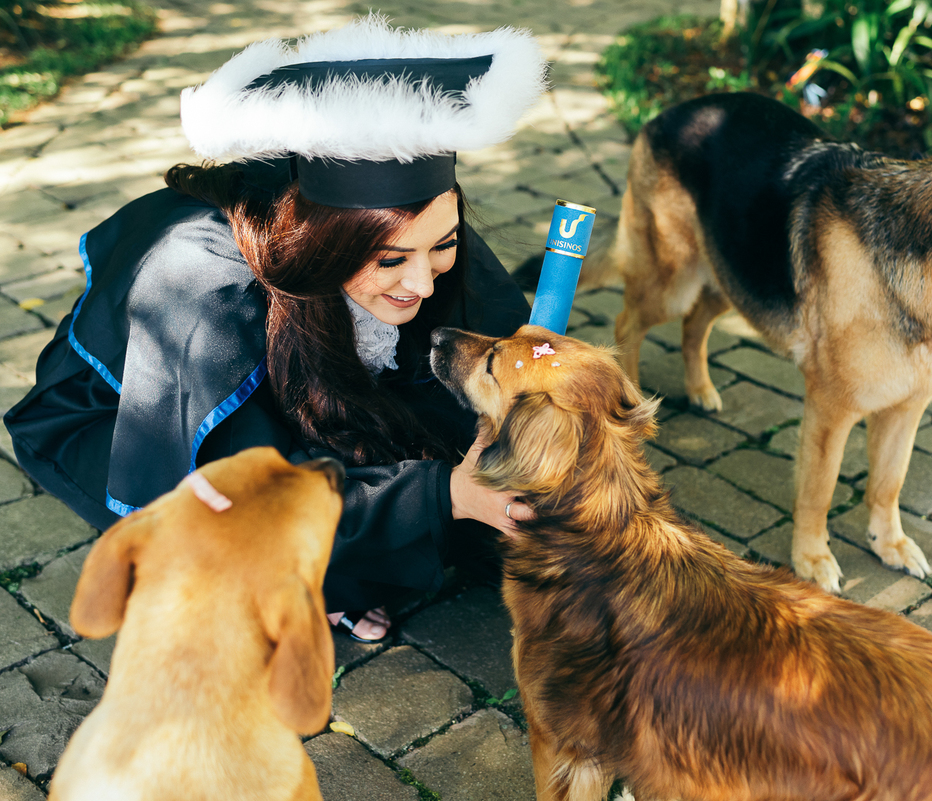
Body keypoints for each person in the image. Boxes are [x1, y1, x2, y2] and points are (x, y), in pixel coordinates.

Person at [4, 17, 548, 642]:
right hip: (142, 430)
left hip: (305, 392)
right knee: (263, 547)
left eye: (443, 246)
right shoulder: (197, 290)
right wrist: (444, 495)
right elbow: (249, 486)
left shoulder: (416, 231)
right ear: (325, 241)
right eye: (392, 261)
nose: (423, 285)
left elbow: (477, 371)